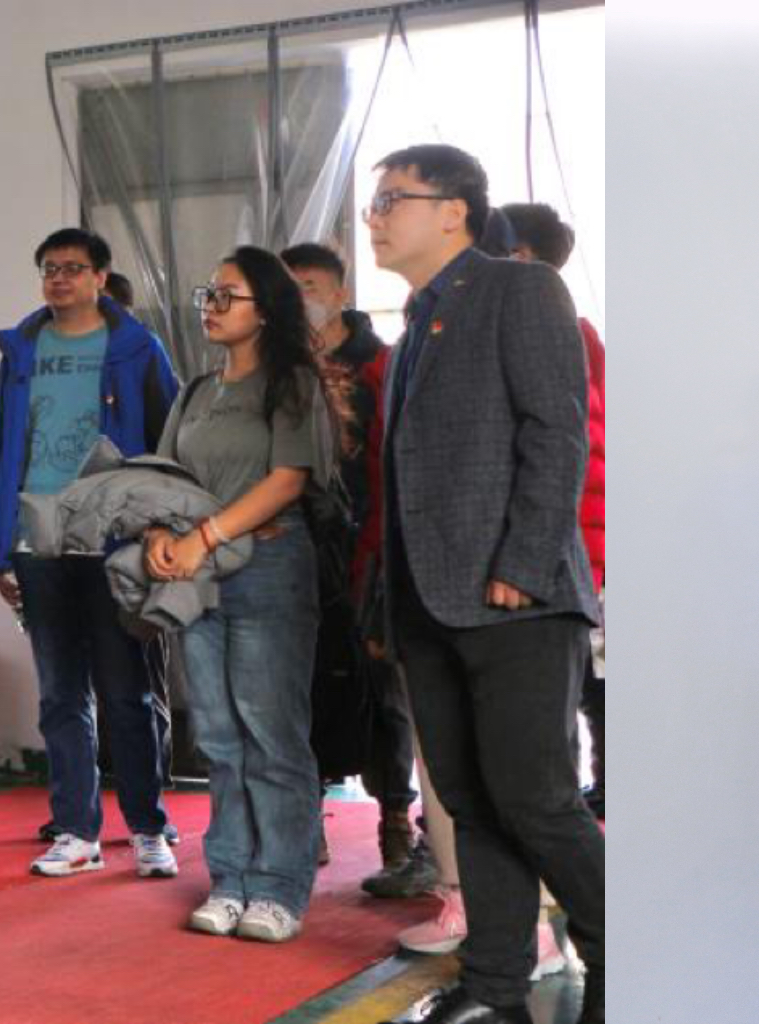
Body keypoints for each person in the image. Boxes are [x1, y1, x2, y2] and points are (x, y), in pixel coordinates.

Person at [367, 143, 603, 1024]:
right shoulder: (415, 325)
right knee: (470, 803)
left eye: (391, 200)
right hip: (429, 603)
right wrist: (388, 605)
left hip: (517, 599)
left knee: (535, 799)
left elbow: (556, 431)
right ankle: (495, 986)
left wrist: (522, 563)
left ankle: (624, 951)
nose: (374, 218)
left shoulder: (519, 289)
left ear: (453, 211)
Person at [0, 227, 184, 879]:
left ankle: (148, 828)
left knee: (126, 690)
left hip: (113, 537)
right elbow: (3, 448)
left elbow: (168, 440)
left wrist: (160, 527)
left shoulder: (136, 349)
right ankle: (75, 830)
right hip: (39, 540)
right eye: (49, 269)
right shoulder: (21, 351)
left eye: (71, 268)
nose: (58, 279)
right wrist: (0, 547)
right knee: (60, 693)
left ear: (100, 277)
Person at [151, 248, 328, 943]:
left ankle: (279, 886)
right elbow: (164, 476)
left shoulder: (291, 384)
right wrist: (159, 537)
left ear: (267, 310)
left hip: (270, 563)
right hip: (197, 574)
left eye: (228, 295)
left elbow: (287, 480)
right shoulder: (195, 391)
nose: (212, 306)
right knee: (219, 735)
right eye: (208, 293)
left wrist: (205, 535)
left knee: (270, 730)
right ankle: (229, 878)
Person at [283, 243, 426, 894]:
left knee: (384, 689)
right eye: (289, 288)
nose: (301, 299)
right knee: (304, 682)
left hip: (370, 545)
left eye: (310, 286)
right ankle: (306, 812)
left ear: (341, 293)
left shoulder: (379, 361)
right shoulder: (279, 365)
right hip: (297, 543)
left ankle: (395, 818)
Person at [500, 202, 606, 820]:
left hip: (573, 552)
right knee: (585, 689)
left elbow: (566, 451)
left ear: (520, 257)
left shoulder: (556, 332)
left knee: (578, 693)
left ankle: (579, 813)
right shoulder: (572, 331)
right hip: (578, 549)